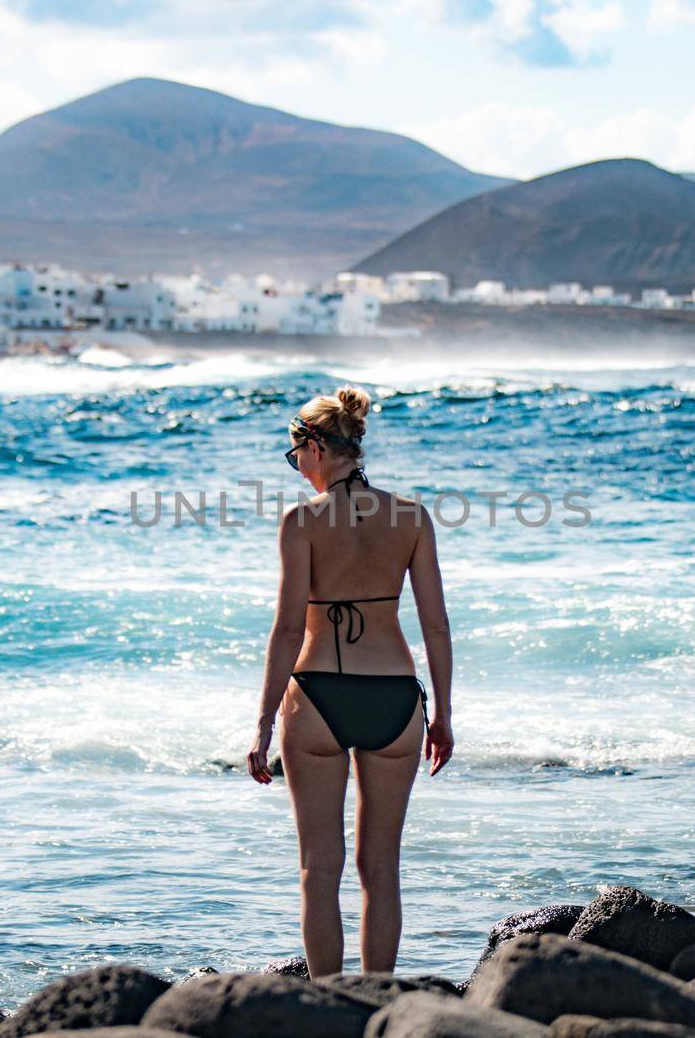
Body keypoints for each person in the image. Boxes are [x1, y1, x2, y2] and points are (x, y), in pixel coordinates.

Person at [246, 383, 454, 977]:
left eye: (295, 457)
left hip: (317, 697)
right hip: (394, 698)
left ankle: (328, 1004)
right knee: (381, 867)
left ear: (314, 445)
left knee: (319, 866)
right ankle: (380, 1002)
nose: (297, 471)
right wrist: (442, 716)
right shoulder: (412, 518)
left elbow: (287, 630)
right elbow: (436, 626)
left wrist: (261, 725)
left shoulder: (301, 522)